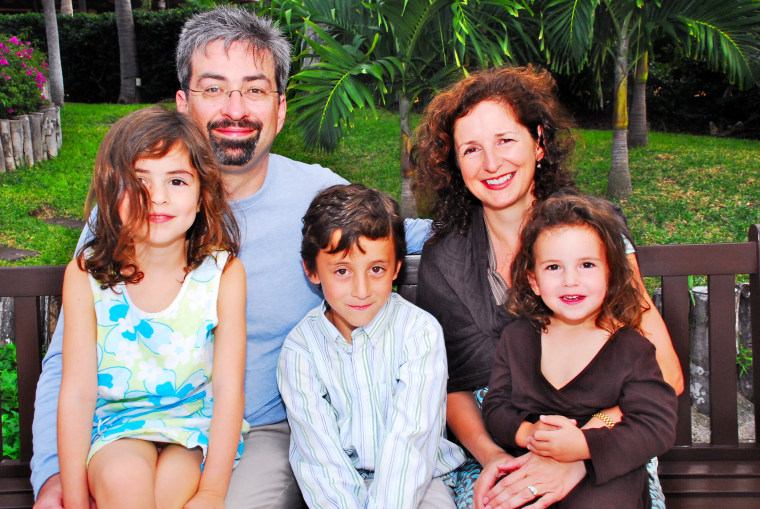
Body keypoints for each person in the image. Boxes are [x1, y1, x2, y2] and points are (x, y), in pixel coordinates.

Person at [31, 7, 430, 509]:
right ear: (182, 104)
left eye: (255, 90)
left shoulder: (318, 197)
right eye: (214, 88)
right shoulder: (127, 215)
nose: (235, 108)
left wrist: (524, 224)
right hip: (117, 429)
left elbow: (401, 233)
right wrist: (53, 479)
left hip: (255, 430)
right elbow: (68, 362)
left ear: (280, 110)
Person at [412, 65, 684, 509]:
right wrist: (498, 459)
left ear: (538, 142)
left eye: (505, 140)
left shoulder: (593, 231)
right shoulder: (447, 259)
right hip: (499, 441)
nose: (491, 163)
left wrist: (578, 452)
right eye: (471, 150)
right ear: (455, 163)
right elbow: (455, 387)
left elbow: (666, 375)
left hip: (610, 434)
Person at [57, 106, 248, 509]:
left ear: (202, 195)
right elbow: (76, 392)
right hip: (116, 429)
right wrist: (73, 500)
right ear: (112, 194)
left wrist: (212, 492)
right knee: (128, 486)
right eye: (138, 182)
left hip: (192, 429)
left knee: (165, 497)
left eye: (176, 180)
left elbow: (230, 389)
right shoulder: (86, 275)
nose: (157, 198)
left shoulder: (223, 273)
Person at [481, 194, 678, 507]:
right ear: (533, 280)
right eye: (554, 267)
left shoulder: (631, 348)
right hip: (534, 461)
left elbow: (656, 426)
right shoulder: (517, 338)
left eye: (587, 265)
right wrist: (530, 434)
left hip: (607, 469)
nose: (570, 281)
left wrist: (583, 445)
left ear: (609, 272)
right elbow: (496, 407)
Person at [277, 184, 465, 508]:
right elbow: (320, 459)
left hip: (420, 479)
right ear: (312, 271)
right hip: (342, 485)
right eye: (342, 271)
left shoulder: (418, 334)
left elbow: (412, 442)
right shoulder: (300, 351)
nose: (361, 290)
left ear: (396, 268)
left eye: (376, 269)